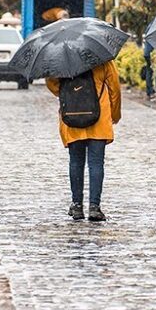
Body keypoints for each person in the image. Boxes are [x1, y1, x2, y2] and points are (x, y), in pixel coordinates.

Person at [46, 61, 121, 222]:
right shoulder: (103, 60)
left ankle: (77, 205)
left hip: (72, 117)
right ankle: (94, 207)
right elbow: (115, 87)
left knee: (75, 162)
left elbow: (53, 85)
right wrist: (115, 114)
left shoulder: (60, 61)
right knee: (96, 163)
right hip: (99, 119)